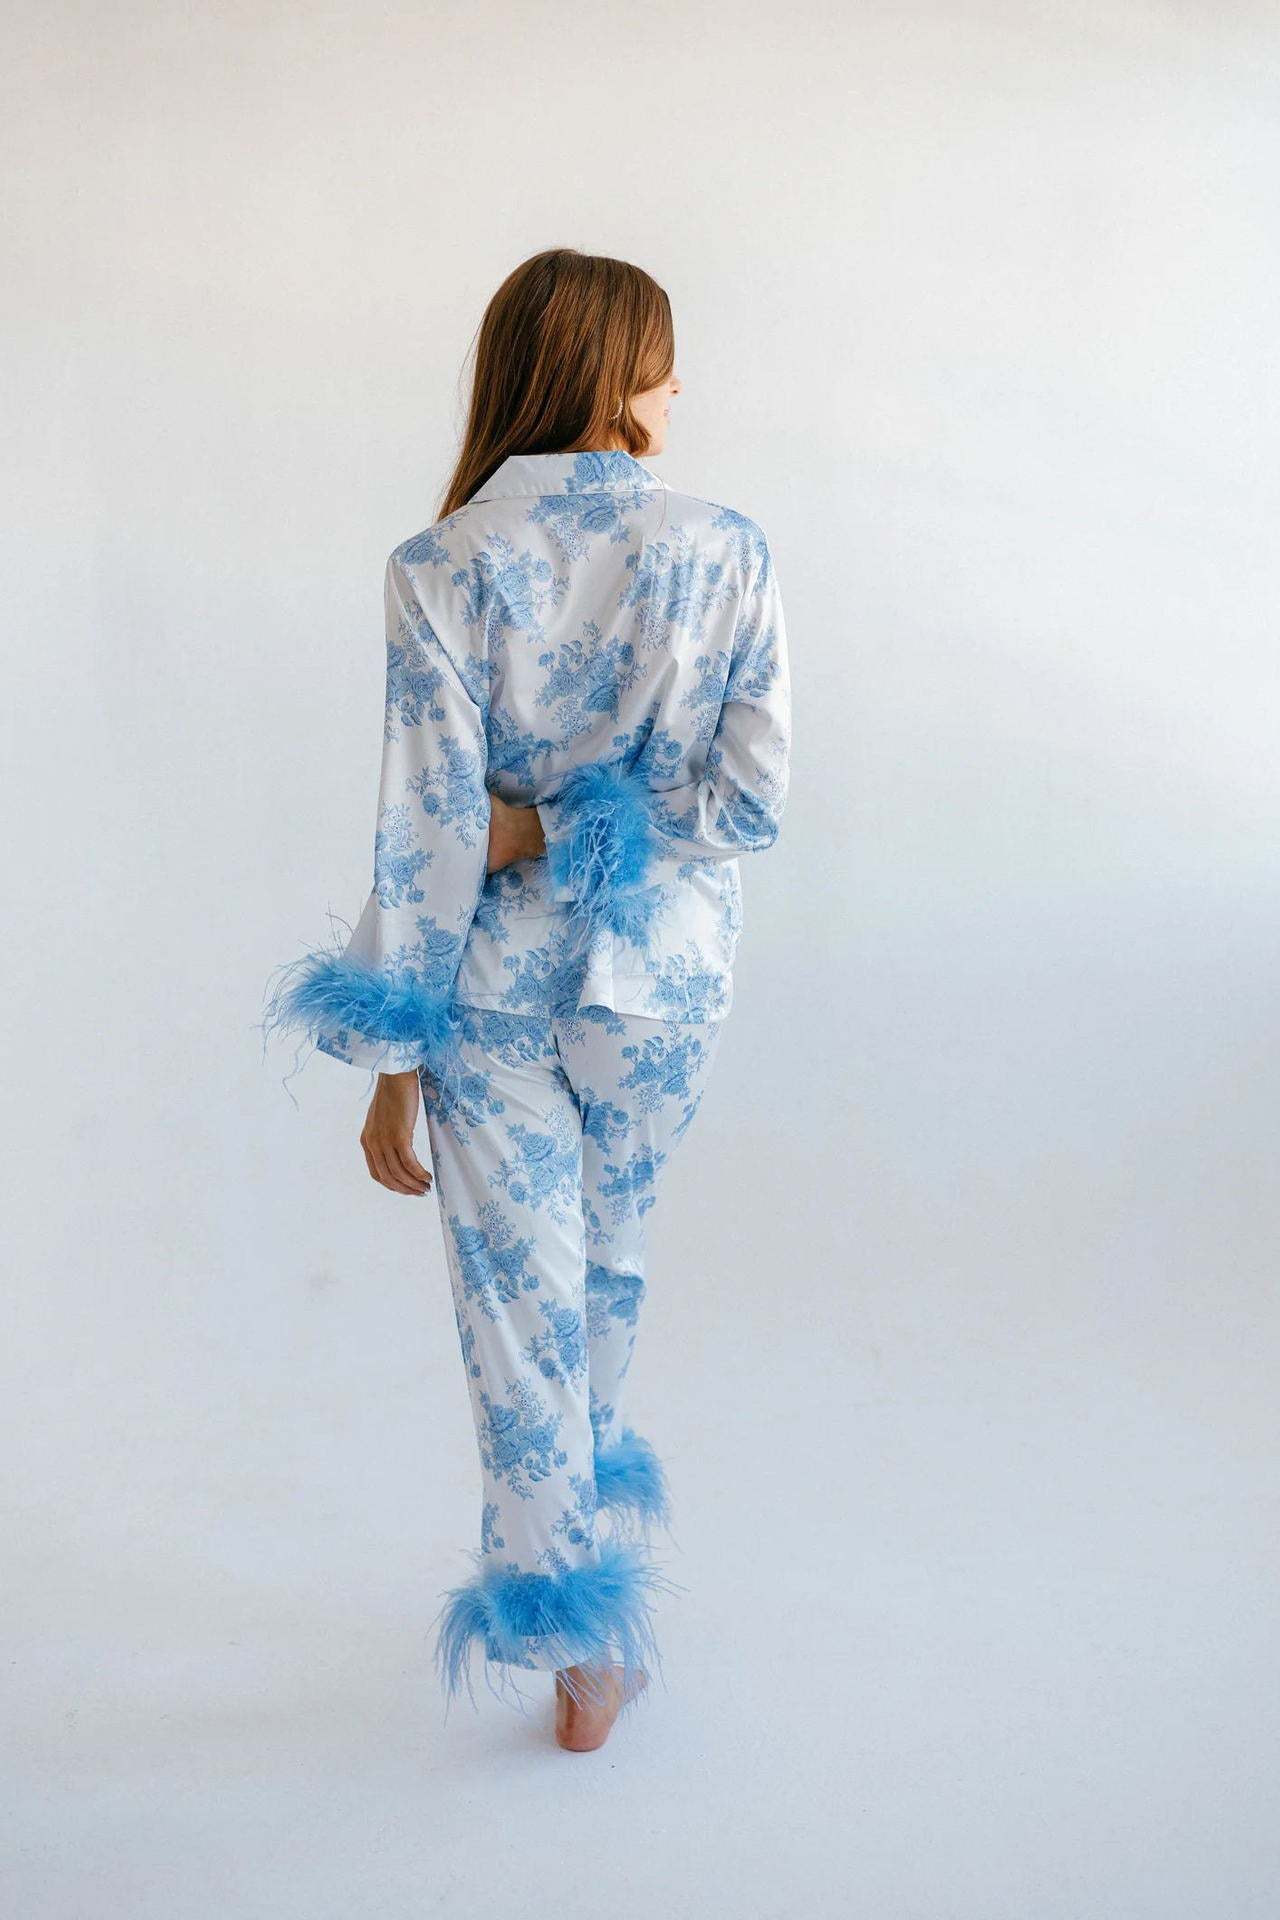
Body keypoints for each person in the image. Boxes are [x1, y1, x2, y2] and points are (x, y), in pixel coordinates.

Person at [265, 246, 791, 1752]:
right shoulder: (726, 548)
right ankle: (592, 1623)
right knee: (604, 1284)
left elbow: (426, 828)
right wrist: (589, 827)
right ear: (617, 375)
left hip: (491, 991)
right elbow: (750, 805)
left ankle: (575, 1626)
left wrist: (393, 1052)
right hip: (662, 990)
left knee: (521, 1318)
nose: (681, 388)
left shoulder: (439, 565)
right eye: (665, 360)